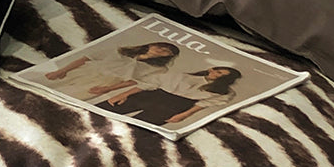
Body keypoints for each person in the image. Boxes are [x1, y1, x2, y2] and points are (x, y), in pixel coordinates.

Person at [101, 65, 243, 128]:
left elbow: (203, 104)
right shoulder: (181, 75)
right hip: (150, 96)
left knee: (136, 131)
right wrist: (123, 94)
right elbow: (149, 84)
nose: (217, 76)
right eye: (218, 72)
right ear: (212, 69)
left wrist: (184, 115)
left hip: (176, 106)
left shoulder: (225, 92)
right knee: (102, 113)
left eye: (223, 76)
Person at [42, 41, 180, 101]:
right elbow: (87, 57)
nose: (161, 50)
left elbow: (135, 81)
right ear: (152, 44)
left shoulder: (159, 68)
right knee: (47, 87)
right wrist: (62, 70)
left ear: (168, 56)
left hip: (106, 82)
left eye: (166, 51)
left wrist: (108, 88)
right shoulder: (121, 50)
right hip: (86, 70)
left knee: (68, 97)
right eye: (160, 46)